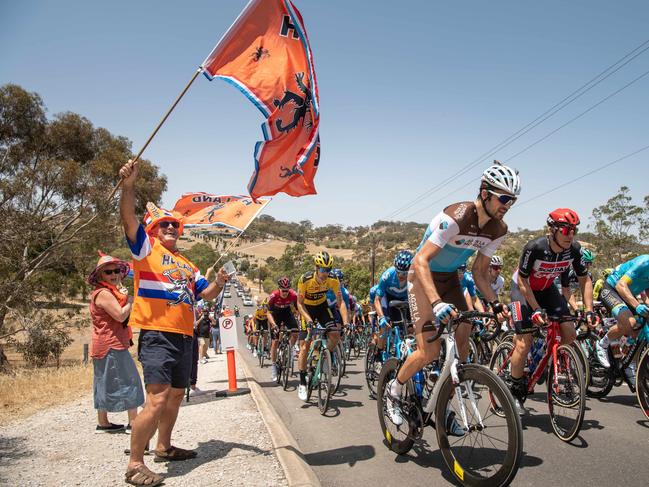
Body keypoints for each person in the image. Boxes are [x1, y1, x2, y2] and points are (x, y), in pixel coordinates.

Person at [119, 159, 229, 487]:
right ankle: (135, 463)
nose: (169, 230)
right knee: (157, 399)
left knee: (178, 395)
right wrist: (129, 187)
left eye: (173, 227)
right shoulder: (145, 249)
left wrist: (219, 283)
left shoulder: (187, 263)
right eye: (164, 226)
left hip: (185, 336)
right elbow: (128, 219)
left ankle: (164, 448)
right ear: (154, 230)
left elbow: (205, 294)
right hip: (157, 335)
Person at [387, 162, 519, 430]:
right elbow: (421, 260)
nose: (508, 204)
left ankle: (442, 405)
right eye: (503, 198)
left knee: (462, 340)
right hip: (423, 276)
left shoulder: (498, 229)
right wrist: (436, 303)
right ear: (485, 192)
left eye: (512, 200)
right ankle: (394, 388)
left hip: (450, 279)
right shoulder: (455, 217)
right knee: (429, 350)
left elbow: (480, 272)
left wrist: (495, 304)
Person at [508, 208, 597, 415]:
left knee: (569, 332)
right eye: (566, 230)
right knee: (524, 341)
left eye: (573, 230)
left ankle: (554, 362)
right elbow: (522, 280)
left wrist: (589, 310)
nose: (571, 235)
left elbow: (585, 281)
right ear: (553, 229)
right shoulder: (535, 247)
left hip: (547, 289)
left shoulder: (573, 250)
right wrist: (537, 309)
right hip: (523, 289)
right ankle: (514, 390)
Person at [88, 254, 144, 434]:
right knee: (130, 380)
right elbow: (120, 315)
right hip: (112, 344)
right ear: (100, 276)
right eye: (108, 272)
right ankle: (133, 423)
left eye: (117, 270)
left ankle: (103, 423)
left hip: (103, 344)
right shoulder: (104, 293)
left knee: (102, 382)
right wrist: (129, 301)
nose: (114, 274)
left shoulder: (106, 292)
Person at [296, 251, 349, 401]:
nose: (325, 273)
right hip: (307, 310)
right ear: (316, 267)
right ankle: (302, 382)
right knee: (304, 346)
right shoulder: (305, 279)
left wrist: (346, 323)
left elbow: (341, 303)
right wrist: (308, 320)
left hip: (322, 307)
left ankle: (324, 359)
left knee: (335, 334)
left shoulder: (333, 279)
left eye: (328, 270)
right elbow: (299, 304)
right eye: (322, 269)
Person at [595, 254, 649, 368]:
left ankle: (629, 364)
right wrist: (637, 305)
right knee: (629, 322)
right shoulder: (644, 263)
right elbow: (621, 285)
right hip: (612, 289)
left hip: (628, 295)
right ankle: (602, 344)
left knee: (638, 329)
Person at [372, 250, 413, 362]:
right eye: (398, 272)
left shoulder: (415, 276)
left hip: (405, 299)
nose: (401, 275)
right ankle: (379, 353)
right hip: (388, 298)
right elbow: (377, 299)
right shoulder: (387, 275)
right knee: (385, 326)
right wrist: (381, 317)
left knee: (411, 327)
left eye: (405, 273)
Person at [267, 277, 299, 382]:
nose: (285, 292)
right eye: (283, 290)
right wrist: (274, 325)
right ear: (279, 289)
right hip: (275, 315)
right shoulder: (273, 296)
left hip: (287, 313)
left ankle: (290, 350)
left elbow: (299, 308)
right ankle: (273, 368)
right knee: (275, 341)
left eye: (287, 290)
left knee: (295, 332)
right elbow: (268, 313)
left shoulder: (293, 295)